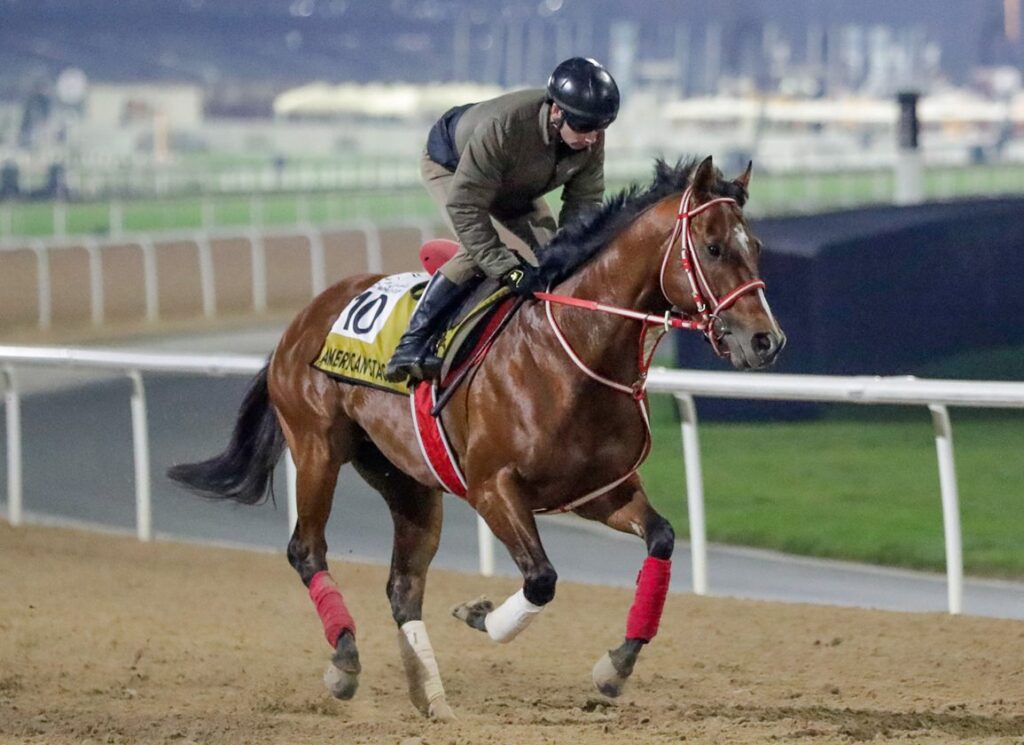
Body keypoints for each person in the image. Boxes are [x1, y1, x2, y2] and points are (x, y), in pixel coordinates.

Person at [383, 56, 620, 383]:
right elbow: (466, 208)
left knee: (555, 254)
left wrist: (573, 251)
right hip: (453, 168)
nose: (592, 138)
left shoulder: (589, 133)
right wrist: (508, 270)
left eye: (600, 128)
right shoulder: (504, 126)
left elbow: (585, 203)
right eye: (583, 128)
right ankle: (411, 344)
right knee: (476, 253)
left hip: (514, 178)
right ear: (556, 112)